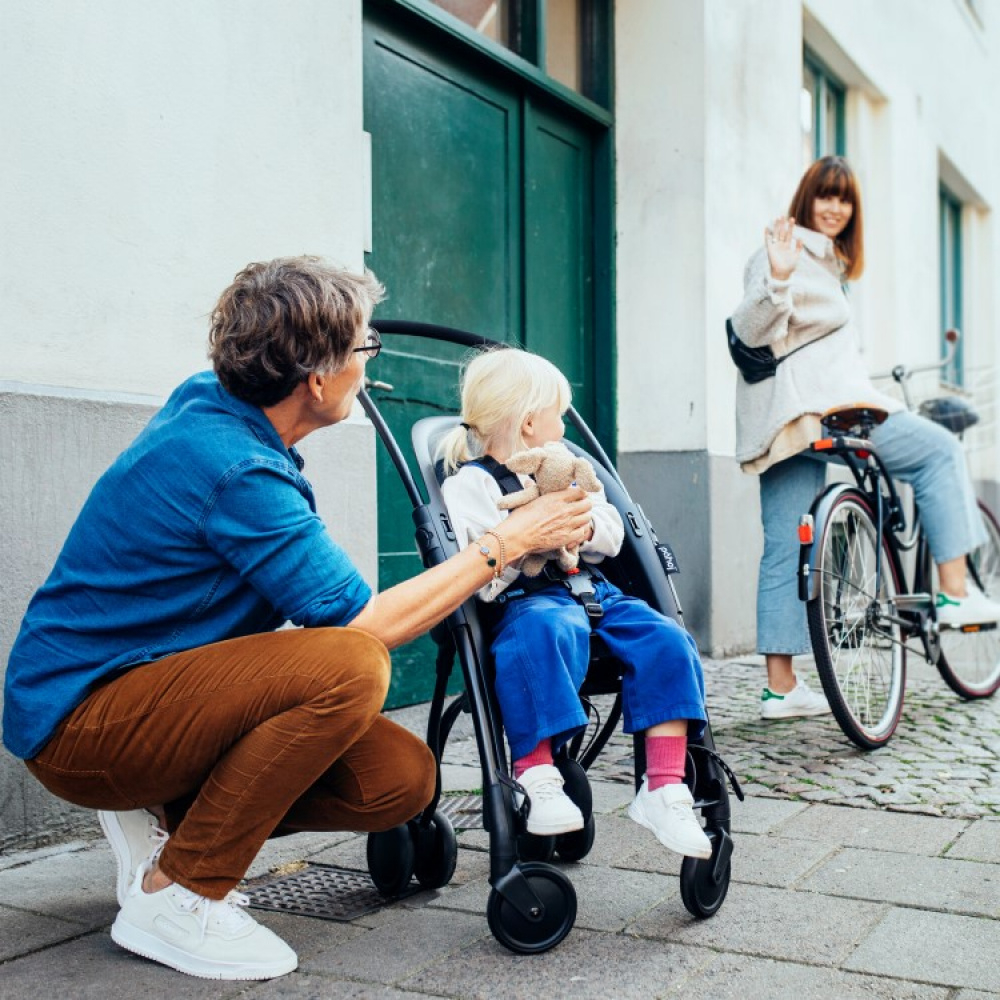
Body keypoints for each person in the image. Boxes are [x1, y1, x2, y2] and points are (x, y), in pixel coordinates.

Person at [2, 257, 594, 982]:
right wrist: (513, 540)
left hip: (150, 686)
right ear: (316, 379)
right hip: (81, 721)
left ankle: (163, 814)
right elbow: (365, 625)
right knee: (352, 665)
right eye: (362, 349)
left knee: (400, 779)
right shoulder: (232, 465)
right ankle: (180, 892)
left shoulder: (225, 411)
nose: (370, 365)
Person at [730, 155, 1000, 720]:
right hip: (825, 411)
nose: (834, 207)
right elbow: (750, 329)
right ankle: (953, 588)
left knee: (787, 540)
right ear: (807, 198)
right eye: (825, 195)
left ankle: (782, 688)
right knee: (939, 449)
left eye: (844, 199)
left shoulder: (830, 266)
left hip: (795, 416)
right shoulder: (784, 252)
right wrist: (777, 275)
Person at [437, 347, 711, 860]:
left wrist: (580, 528)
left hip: (593, 590)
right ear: (527, 423)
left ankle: (665, 786)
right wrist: (526, 538)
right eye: (557, 415)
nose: (564, 426)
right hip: (525, 599)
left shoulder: (573, 470)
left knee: (668, 640)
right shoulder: (471, 484)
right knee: (536, 637)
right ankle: (538, 774)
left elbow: (610, 530)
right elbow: (478, 566)